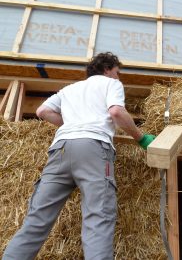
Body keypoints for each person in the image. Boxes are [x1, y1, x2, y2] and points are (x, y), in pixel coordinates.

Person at [2, 52, 155, 260]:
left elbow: (42, 111)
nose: (118, 78)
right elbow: (117, 112)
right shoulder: (111, 84)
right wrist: (141, 138)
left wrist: (72, 125)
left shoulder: (68, 90)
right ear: (107, 69)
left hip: (60, 149)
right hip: (93, 149)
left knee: (36, 220)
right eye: (117, 73)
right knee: (97, 218)